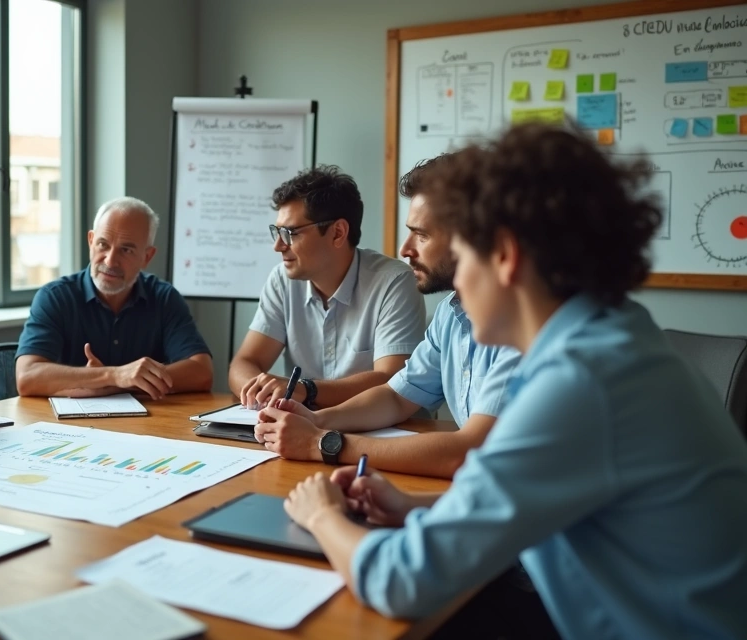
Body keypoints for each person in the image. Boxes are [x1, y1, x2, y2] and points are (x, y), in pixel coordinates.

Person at [283, 123, 747, 639]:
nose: (460, 283)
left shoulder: (580, 382)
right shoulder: (607, 338)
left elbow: (402, 580)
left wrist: (321, 515)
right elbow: (534, 496)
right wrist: (414, 505)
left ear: (504, 255)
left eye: (465, 256)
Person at [255, 154, 521, 478]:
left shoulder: (523, 326)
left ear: (473, 239)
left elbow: (469, 452)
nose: (405, 249)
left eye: (422, 235)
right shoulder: (451, 314)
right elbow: (396, 397)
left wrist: (319, 443)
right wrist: (315, 420)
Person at [228, 165, 425, 410]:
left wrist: (305, 389)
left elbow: (392, 382)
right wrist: (262, 391)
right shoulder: (282, 280)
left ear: (338, 233)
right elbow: (244, 363)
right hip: (301, 426)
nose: (278, 246)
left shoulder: (394, 282)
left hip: (380, 428)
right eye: (277, 232)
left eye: (290, 233)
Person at [15, 197, 212, 398]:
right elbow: (26, 377)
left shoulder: (164, 298)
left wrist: (121, 384)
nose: (110, 261)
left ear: (147, 257)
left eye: (126, 250)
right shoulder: (55, 297)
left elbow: (202, 372)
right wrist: (114, 376)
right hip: (66, 418)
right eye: (103, 244)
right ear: (91, 241)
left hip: (148, 418)